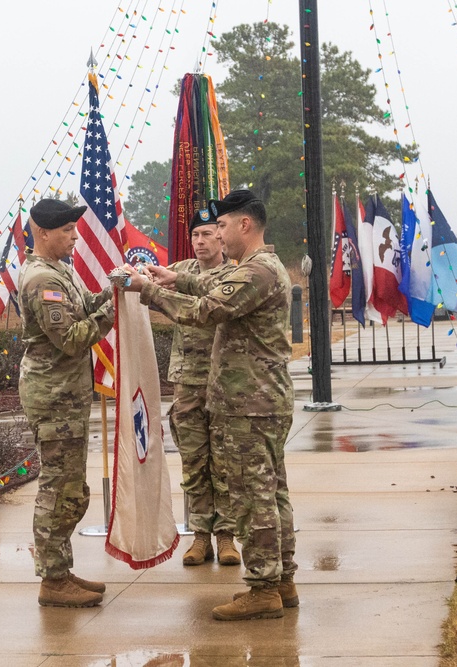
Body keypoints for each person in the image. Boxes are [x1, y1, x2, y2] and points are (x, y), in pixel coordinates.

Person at [122, 189, 297, 621]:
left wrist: (148, 290)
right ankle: (281, 579)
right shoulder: (259, 267)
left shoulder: (257, 271)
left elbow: (208, 308)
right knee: (272, 493)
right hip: (258, 401)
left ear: (244, 225)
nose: (215, 234)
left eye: (220, 226)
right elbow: (208, 282)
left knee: (252, 497)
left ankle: (262, 589)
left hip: (248, 404)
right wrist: (173, 277)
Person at [18, 198, 113, 608]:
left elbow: (86, 306)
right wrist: (114, 310)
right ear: (42, 233)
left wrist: (117, 289)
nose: (75, 237)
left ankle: (60, 570)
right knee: (59, 490)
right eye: (67, 231)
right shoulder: (42, 280)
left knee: (71, 489)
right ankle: (52, 581)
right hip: (53, 399)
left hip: (66, 397)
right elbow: (72, 337)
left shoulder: (60, 272)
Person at [167, 209, 240, 567]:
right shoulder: (180, 270)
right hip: (187, 383)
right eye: (195, 235)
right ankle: (200, 536)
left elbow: (205, 301)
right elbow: (155, 289)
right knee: (194, 462)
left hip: (221, 382)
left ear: (221, 238)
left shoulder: (234, 274)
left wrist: (163, 287)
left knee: (223, 462)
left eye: (207, 234)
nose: (199, 242)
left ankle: (227, 536)